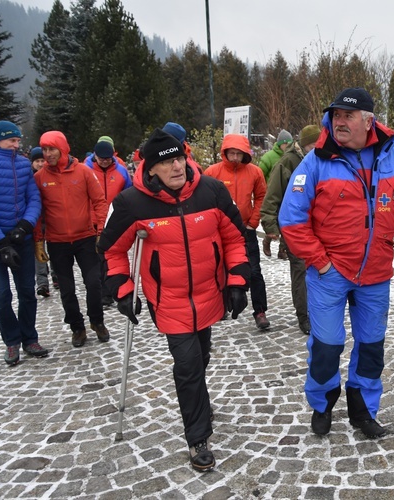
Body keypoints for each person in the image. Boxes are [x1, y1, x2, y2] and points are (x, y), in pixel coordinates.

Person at [98, 128, 250, 472]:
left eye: (180, 158)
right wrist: (122, 288)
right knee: (188, 365)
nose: (177, 167)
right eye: (167, 163)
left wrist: (238, 281)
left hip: (209, 295)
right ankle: (198, 438)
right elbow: (111, 250)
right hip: (169, 300)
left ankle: (199, 401)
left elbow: (235, 239)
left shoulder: (211, 192)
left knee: (202, 355)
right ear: (151, 169)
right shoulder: (130, 203)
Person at [278, 88, 394, 439]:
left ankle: (363, 410)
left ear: (368, 121)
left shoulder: (393, 159)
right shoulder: (316, 160)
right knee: (326, 346)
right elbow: (291, 220)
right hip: (330, 273)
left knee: (372, 346)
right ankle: (323, 404)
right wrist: (321, 263)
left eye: (348, 116)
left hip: (375, 274)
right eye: (336, 115)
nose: (339, 122)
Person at [0, 121, 49, 365]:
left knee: (27, 292)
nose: (17, 145)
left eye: (18, 140)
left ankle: (29, 338)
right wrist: (1, 242)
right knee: (0, 295)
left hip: (21, 238)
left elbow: (33, 198)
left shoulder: (24, 164)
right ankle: (12, 342)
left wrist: (25, 226)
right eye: (12, 141)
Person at [34, 130, 111, 348]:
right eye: (44, 150)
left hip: (85, 238)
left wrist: (100, 230)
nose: (47, 154)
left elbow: (99, 201)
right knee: (66, 289)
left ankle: (97, 321)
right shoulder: (39, 178)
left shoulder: (83, 172)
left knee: (93, 283)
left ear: (63, 149)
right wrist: (39, 240)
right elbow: (37, 212)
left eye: (52, 149)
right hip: (57, 242)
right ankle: (77, 327)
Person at [204, 134, 271, 330]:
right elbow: (203, 200)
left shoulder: (254, 172)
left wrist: (253, 222)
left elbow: (261, 197)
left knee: (254, 271)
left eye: (238, 154)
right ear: (224, 153)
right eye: (231, 153)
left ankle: (260, 311)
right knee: (218, 268)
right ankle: (222, 305)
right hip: (220, 231)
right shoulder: (212, 172)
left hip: (245, 229)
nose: (235, 157)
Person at [259, 124, 320, 335]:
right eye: (313, 145)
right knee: (301, 269)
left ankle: (319, 310)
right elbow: (272, 198)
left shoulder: (322, 160)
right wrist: (270, 227)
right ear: (304, 145)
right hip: (295, 226)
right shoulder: (287, 162)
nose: (317, 149)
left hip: (318, 228)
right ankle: (304, 317)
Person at [84, 138, 133, 307]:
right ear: (95, 156)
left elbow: (128, 193)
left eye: (108, 158)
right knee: (96, 259)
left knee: (110, 256)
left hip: (113, 220)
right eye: (101, 158)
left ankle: (110, 290)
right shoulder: (86, 170)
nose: (104, 162)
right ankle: (101, 292)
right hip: (92, 220)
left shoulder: (121, 171)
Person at [258, 129, 293, 259]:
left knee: (285, 222)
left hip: (287, 195)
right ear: (280, 144)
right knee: (274, 222)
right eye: (285, 144)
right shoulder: (269, 157)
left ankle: (282, 249)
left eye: (289, 143)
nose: (287, 146)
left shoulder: (291, 157)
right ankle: (267, 240)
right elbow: (260, 175)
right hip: (274, 194)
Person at [29, 147, 57, 297]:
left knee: (53, 248)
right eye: (37, 161)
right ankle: (42, 282)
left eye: (42, 160)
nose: (40, 164)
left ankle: (56, 275)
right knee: (38, 252)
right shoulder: (29, 178)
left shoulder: (50, 175)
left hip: (51, 218)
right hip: (35, 220)